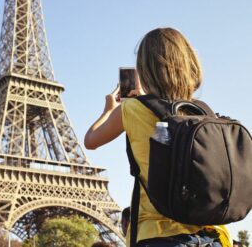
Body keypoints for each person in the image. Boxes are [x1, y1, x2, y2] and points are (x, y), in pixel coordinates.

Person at [84, 28, 232, 247]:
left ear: (144, 69)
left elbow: (91, 141)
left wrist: (109, 109)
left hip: (159, 235)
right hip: (212, 236)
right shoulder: (201, 112)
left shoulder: (133, 108)